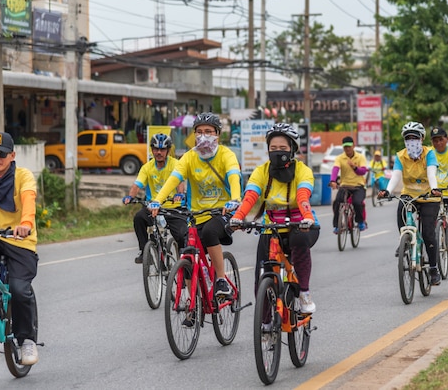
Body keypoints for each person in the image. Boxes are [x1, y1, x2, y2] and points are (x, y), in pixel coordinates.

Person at [150, 113, 242, 298]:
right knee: (187, 252)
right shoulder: (189, 157)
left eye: (208, 131)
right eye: (199, 132)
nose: (203, 135)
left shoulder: (226, 155)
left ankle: (222, 280)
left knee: (210, 232)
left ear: (217, 134)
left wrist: (235, 199)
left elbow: (234, 176)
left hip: (223, 211)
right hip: (197, 214)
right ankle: (193, 304)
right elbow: (173, 179)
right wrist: (158, 200)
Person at [230, 124, 320, 313]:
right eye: (273, 149)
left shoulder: (303, 171)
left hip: (300, 225)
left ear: (293, 149)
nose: (277, 153)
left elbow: (303, 196)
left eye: (283, 149)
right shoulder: (261, 171)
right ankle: (265, 326)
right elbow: (250, 197)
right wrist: (238, 217)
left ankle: (304, 293)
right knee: (261, 275)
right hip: (272, 228)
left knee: (299, 240)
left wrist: (308, 217)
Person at [0, 132, 39, 365]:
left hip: (19, 240)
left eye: (1, 154)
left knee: (20, 289)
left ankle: (26, 340)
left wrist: (25, 224)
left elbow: (28, 200)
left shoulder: (23, 176)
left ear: (12, 155)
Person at [377, 122, 443, 285]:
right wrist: (388, 191)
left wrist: (435, 188)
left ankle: (434, 269)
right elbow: (396, 176)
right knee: (401, 212)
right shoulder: (401, 156)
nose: (411, 141)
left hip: (429, 195)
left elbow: (431, 173)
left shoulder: (429, 154)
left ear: (422, 139)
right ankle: (405, 241)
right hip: (410, 194)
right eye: (408, 138)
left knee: (428, 233)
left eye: (415, 137)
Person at [123, 133, 187, 263]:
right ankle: (145, 252)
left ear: (168, 150)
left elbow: (180, 183)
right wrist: (130, 196)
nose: (159, 152)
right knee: (139, 218)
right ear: (151, 150)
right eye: (156, 149)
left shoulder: (175, 164)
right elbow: (137, 185)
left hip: (172, 208)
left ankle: (183, 261)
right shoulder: (147, 167)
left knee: (181, 235)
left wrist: (179, 194)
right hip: (153, 207)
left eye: (162, 149)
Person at [330, 136, 368, 233]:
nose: (347, 149)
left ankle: (360, 222)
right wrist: (333, 181)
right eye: (345, 147)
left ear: (353, 146)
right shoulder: (340, 158)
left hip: (358, 186)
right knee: (337, 202)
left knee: (357, 203)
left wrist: (354, 167)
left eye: (349, 146)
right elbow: (335, 169)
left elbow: (363, 171)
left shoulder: (360, 157)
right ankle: (337, 226)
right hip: (345, 186)